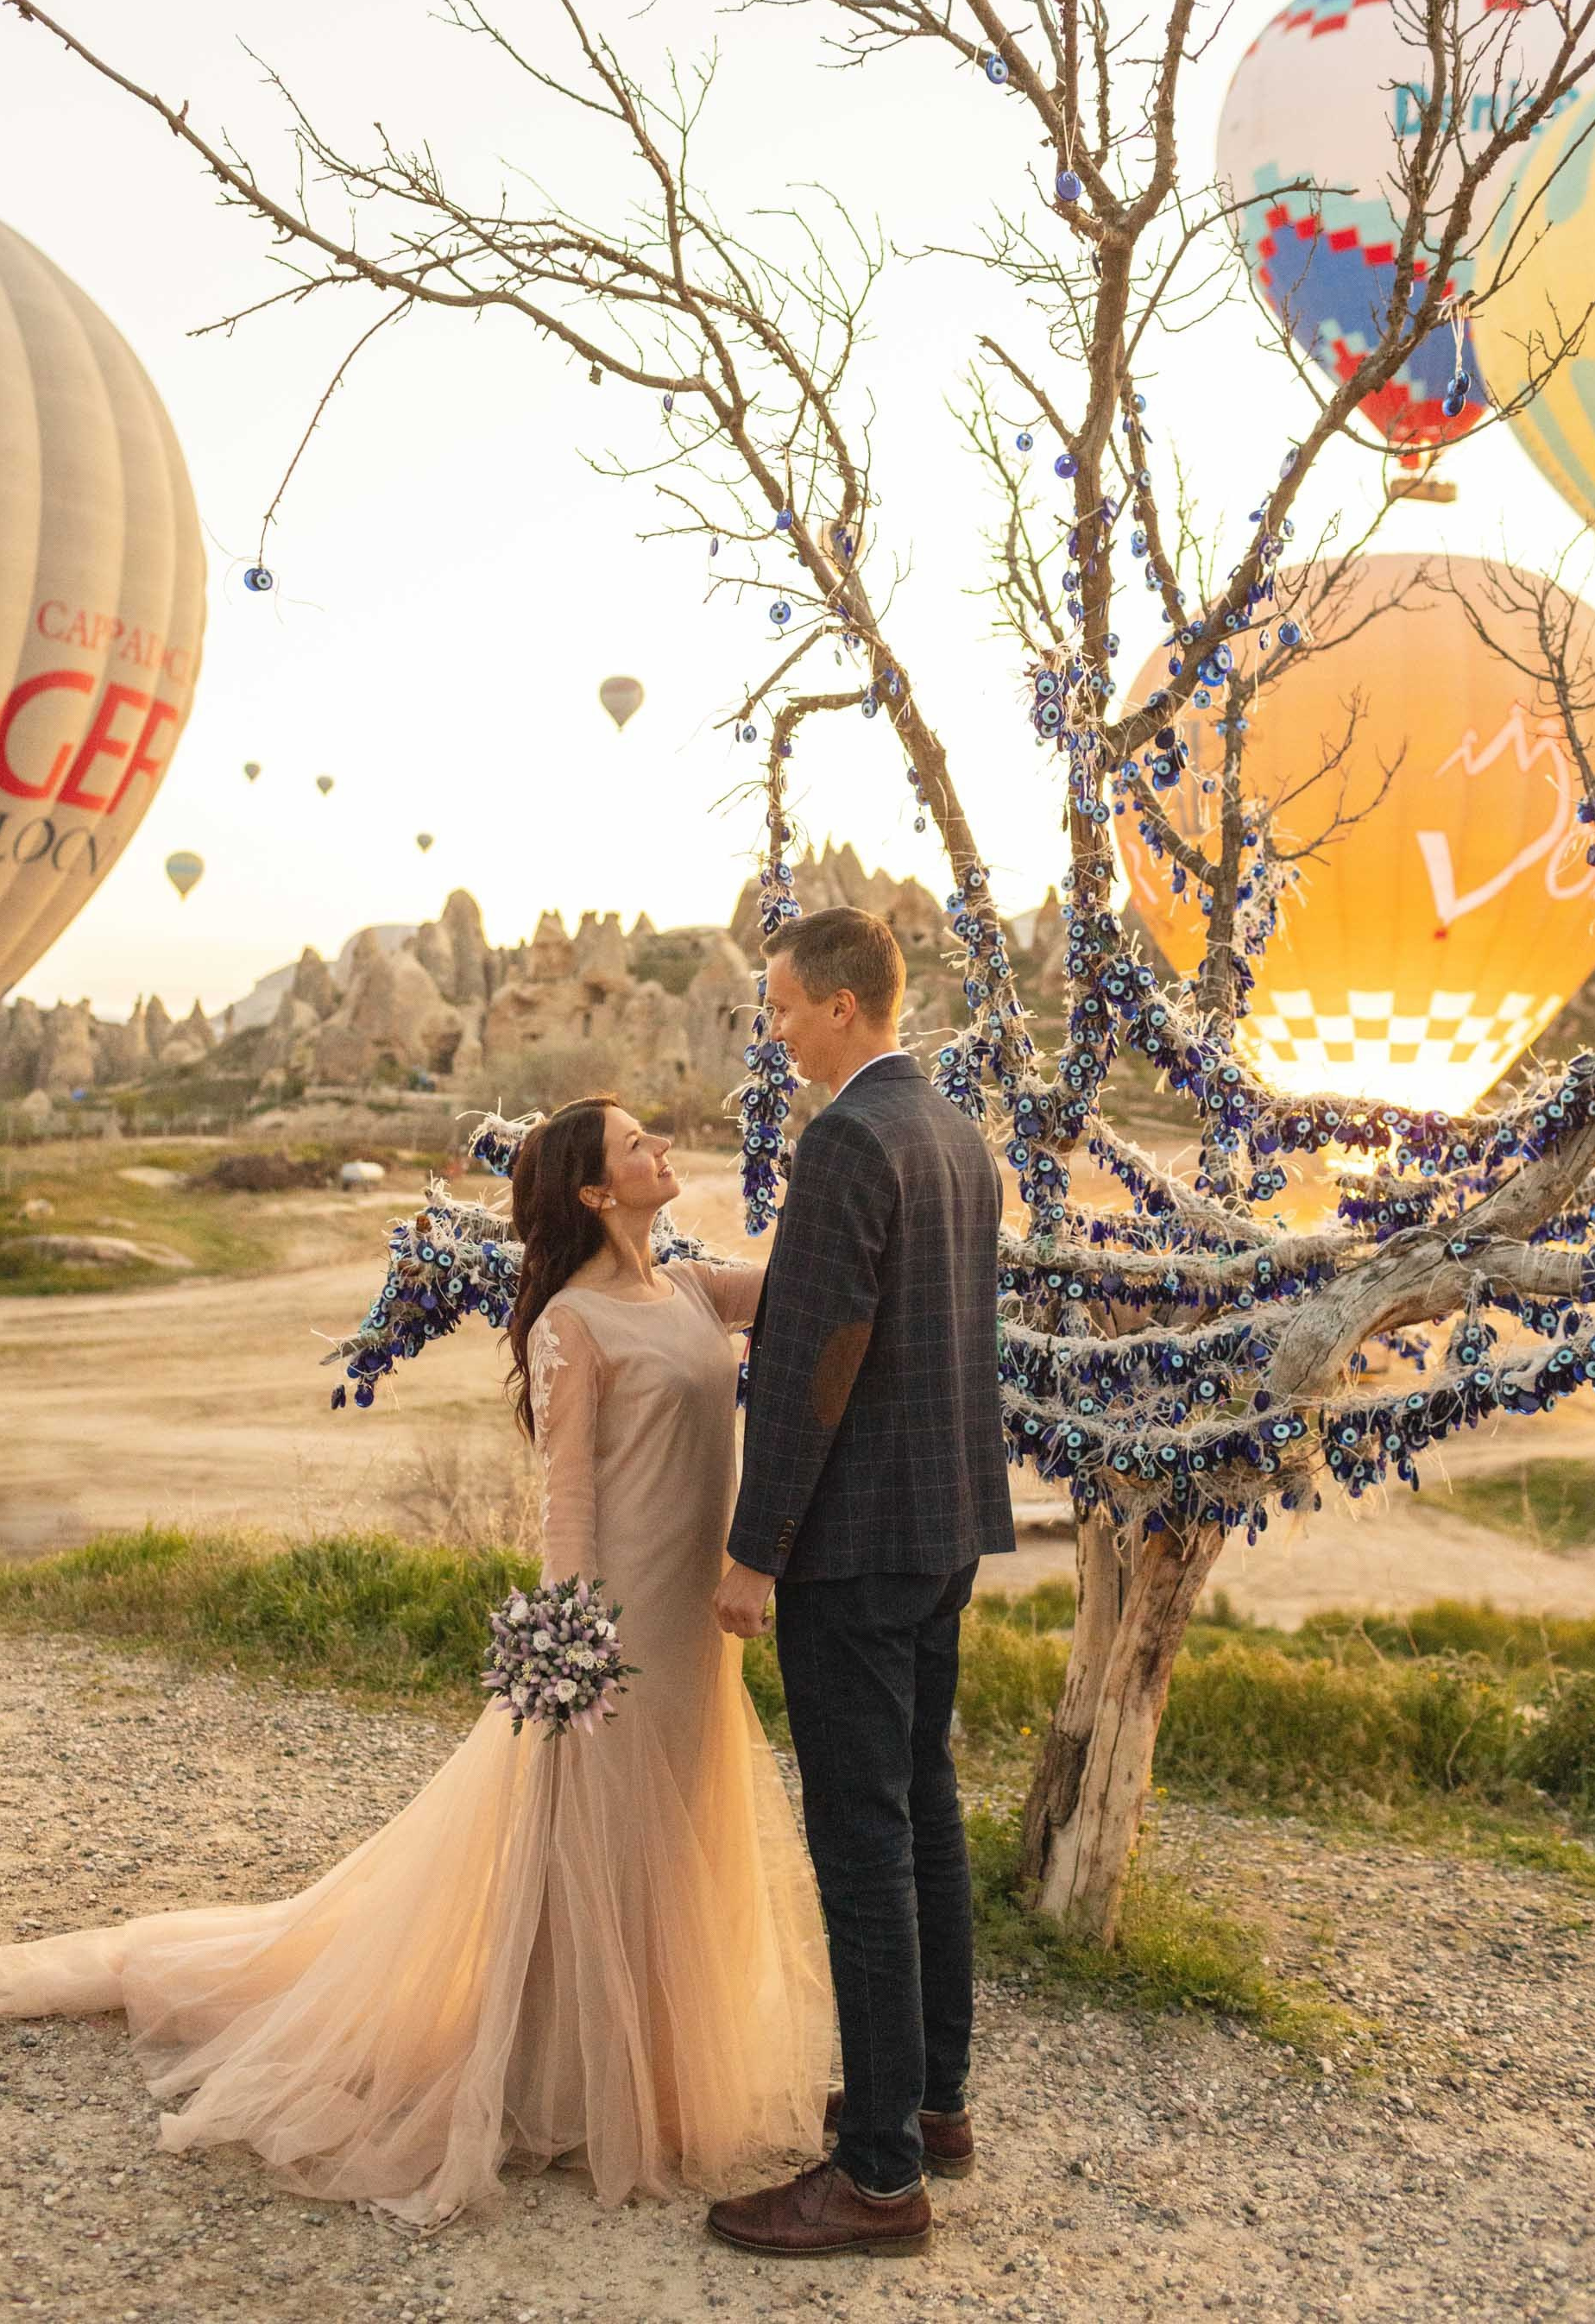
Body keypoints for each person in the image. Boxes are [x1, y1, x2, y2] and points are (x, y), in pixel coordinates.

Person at [0, 1099, 831, 2226]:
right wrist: (562, 1658)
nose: (664, 1154)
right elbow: (564, 1503)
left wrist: (857, 1186)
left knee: (678, 1829)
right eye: (639, 1147)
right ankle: (564, 2085)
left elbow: (804, 1287)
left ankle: (655, 2071)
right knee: (593, 1846)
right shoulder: (570, 1322)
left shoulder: (681, 1285)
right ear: (591, 1190)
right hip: (611, 1632)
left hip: (687, 1626)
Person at [707, 906, 1014, 2262]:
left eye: (780, 1009)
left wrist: (751, 1545)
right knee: (925, 1811)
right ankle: (928, 2098)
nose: (774, 1033)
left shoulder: (843, 1137)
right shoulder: (950, 1131)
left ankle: (878, 2175)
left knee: (863, 1845)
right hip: (943, 1523)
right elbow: (890, 1315)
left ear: (841, 1006)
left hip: (852, 1541)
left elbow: (823, 1356)